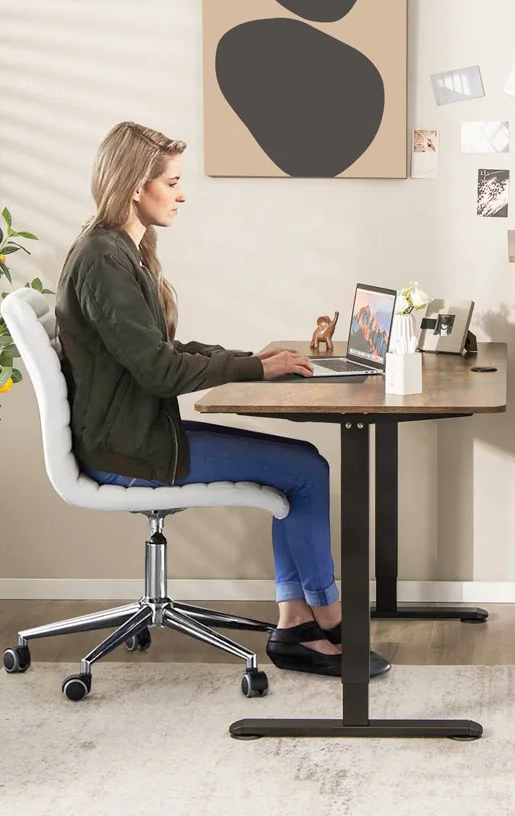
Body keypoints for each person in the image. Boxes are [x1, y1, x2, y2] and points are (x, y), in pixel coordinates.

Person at [56, 121, 390, 679]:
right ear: (137, 185)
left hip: (136, 435)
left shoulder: (118, 252)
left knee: (303, 465)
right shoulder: (103, 260)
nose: (182, 194)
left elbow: (158, 351)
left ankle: (297, 621)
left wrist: (250, 359)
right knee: (304, 470)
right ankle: (326, 617)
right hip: (127, 453)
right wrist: (255, 367)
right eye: (173, 181)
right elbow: (160, 370)